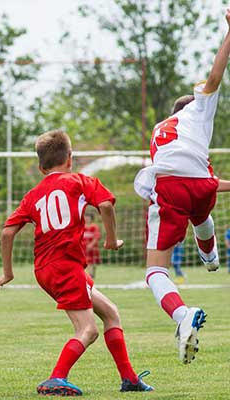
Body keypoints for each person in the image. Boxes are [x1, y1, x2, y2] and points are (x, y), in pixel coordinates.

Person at [0, 130, 152, 396]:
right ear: (70, 158)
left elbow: (7, 232)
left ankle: (130, 379)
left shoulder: (33, 195)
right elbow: (106, 205)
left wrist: (7, 273)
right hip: (65, 266)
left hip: (45, 269)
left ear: (41, 167)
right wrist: (112, 240)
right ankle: (56, 378)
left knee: (110, 312)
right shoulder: (79, 181)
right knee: (88, 330)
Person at [133, 8, 230, 364]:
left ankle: (181, 315)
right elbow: (215, 76)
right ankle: (211, 258)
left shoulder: (161, 129)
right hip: (198, 185)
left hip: (171, 185)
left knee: (154, 270)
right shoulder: (198, 109)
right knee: (202, 211)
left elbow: (177, 171)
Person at [82, 212, 101, 279]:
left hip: (92, 248)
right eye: (85, 217)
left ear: (91, 218)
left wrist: (91, 245)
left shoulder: (94, 226)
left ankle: (91, 273)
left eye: (88, 217)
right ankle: (87, 275)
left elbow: (97, 237)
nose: (86, 219)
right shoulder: (82, 226)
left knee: (91, 261)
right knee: (84, 261)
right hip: (83, 248)